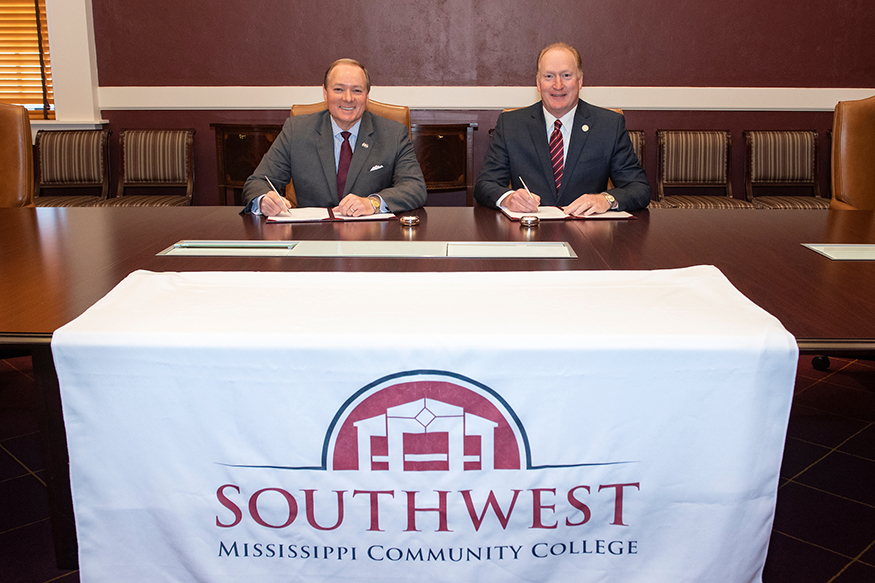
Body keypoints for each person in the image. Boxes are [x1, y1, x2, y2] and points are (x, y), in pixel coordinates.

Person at [475, 43, 650, 216]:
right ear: (538, 83)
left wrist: (606, 199)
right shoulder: (511, 124)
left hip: (588, 234)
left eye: (566, 75)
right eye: (549, 76)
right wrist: (508, 198)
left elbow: (639, 189)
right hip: (528, 235)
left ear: (580, 81)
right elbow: (485, 185)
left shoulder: (609, 125)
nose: (558, 85)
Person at [242, 58, 426, 217]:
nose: (347, 98)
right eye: (338, 89)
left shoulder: (393, 134)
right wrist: (264, 200)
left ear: (367, 96)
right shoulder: (296, 131)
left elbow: (414, 187)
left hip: (370, 241)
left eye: (356, 90)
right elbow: (257, 182)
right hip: (311, 240)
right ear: (325, 93)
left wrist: (373, 203)